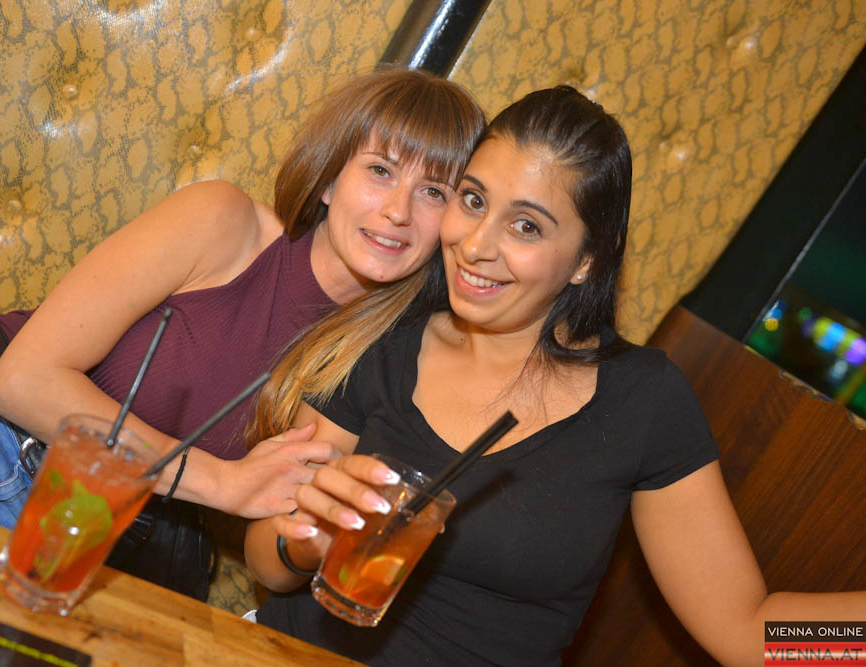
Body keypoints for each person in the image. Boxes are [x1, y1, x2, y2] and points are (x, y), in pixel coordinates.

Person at [243, 86, 866, 666]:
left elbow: (750, 632)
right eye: (473, 200)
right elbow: (265, 561)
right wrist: (306, 538)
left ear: (586, 260)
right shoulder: (381, 334)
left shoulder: (643, 402)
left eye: (527, 226)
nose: (476, 245)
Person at [0, 67, 485, 598]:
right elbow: (20, 383)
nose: (398, 211)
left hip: (82, 528)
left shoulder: (376, 362)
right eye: (379, 170)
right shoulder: (225, 223)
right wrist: (223, 483)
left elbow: (283, 540)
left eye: (433, 192)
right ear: (329, 180)